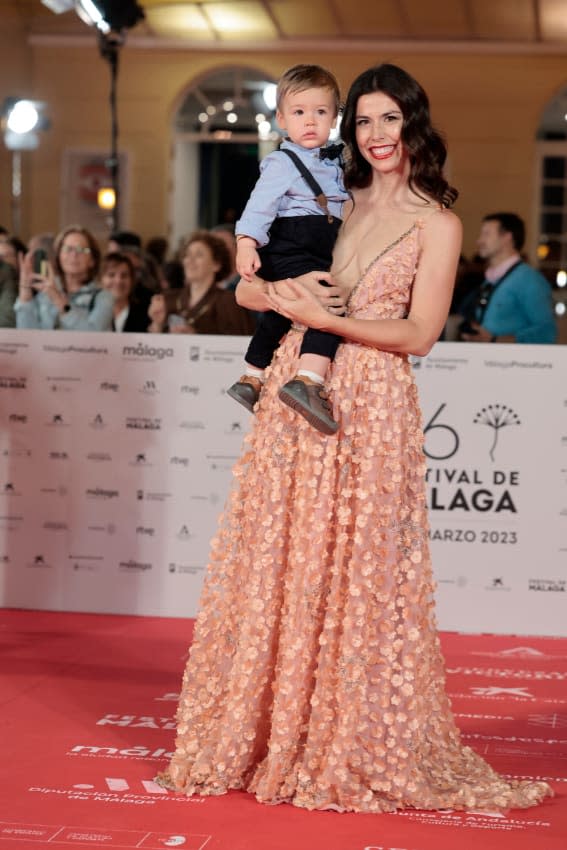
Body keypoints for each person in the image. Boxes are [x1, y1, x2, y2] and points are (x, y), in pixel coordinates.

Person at [156, 64, 553, 813]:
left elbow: (420, 333)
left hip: (368, 403)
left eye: (388, 121)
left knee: (358, 575)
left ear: (413, 126)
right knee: (280, 558)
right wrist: (278, 293)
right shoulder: (323, 193)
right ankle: (268, 731)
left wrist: (326, 319)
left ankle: (343, 738)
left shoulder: (436, 221)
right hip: (290, 391)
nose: (373, 136)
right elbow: (245, 285)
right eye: (362, 121)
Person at [228, 64, 350, 435]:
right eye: (299, 113)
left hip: (319, 241)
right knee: (326, 303)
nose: (309, 121)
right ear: (282, 119)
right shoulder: (282, 162)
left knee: (282, 313)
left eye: (320, 112)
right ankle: (308, 379)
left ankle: (252, 376)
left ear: (334, 117)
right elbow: (259, 206)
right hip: (292, 240)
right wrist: (246, 243)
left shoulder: (337, 159)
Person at [458, 213, 557, 343]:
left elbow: (547, 332)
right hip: (488, 360)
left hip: (513, 362)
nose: (479, 241)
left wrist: (495, 339)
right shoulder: (491, 279)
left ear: (507, 237)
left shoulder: (530, 280)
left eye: (486, 234)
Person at [147, 230, 255, 336]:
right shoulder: (169, 299)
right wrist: (157, 324)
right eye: (187, 255)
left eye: (199, 255)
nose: (190, 260)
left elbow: (240, 345)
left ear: (216, 264)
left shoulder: (229, 302)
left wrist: (196, 338)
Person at [14, 225, 114, 331]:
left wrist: (58, 300)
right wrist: (25, 290)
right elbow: (28, 335)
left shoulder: (103, 296)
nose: (74, 254)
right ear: (59, 256)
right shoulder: (47, 288)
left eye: (81, 250)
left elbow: (92, 334)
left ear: (92, 260)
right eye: (68, 249)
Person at [100, 251, 149, 332]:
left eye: (124, 275)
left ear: (132, 280)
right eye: (111, 275)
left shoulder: (146, 314)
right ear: (100, 280)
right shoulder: (89, 313)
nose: (118, 281)